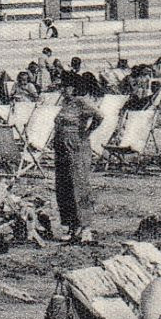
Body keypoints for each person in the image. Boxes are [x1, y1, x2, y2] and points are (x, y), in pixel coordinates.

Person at [52, 75, 100, 244]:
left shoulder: (81, 101)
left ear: (73, 87)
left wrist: (86, 133)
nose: (63, 89)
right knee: (63, 186)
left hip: (76, 146)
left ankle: (85, 227)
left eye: (66, 86)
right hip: (61, 146)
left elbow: (98, 116)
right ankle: (72, 225)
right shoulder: (65, 103)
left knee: (79, 185)